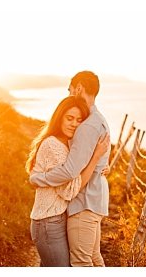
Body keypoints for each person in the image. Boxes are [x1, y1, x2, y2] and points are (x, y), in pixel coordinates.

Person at [29, 71, 111, 266]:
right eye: (69, 119)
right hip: (53, 218)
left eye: (69, 90)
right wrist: (97, 162)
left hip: (83, 204)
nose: (75, 124)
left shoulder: (88, 125)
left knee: (83, 262)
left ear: (79, 88)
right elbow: (70, 181)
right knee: (89, 259)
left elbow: (69, 172)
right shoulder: (95, 120)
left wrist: (37, 178)